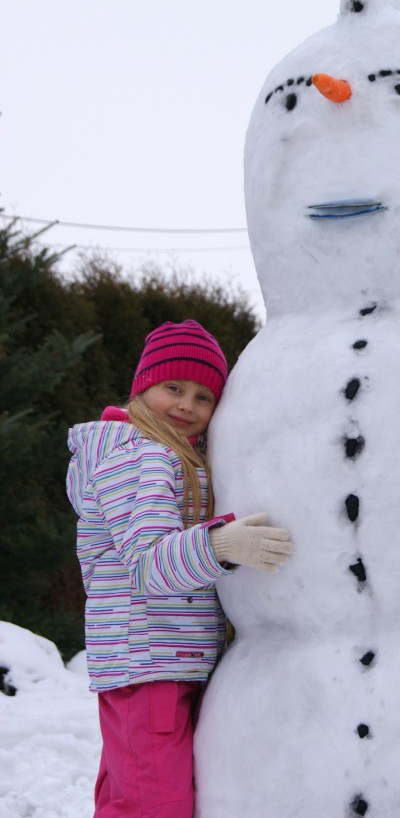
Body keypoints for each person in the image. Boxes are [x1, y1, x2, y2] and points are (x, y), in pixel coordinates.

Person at [66, 319, 292, 818]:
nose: (188, 405)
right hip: (148, 664)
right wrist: (222, 544)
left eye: (203, 396)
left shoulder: (170, 455)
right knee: (155, 805)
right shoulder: (136, 455)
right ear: (142, 387)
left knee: (133, 797)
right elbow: (148, 562)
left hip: (163, 657)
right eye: (174, 388)